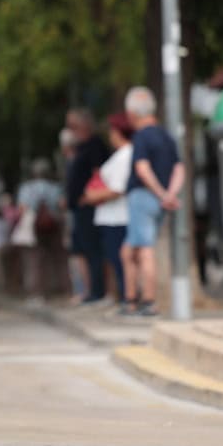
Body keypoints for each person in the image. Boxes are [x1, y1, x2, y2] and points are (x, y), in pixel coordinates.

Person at [120, 86, 184, 317]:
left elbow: (142, 168)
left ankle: (148, 301)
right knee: (128, 251)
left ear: (132, 113)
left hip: (143, 198)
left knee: (144, 250)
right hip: (159, 201)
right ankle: (130, 300)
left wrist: (160, 193)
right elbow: (179, 168)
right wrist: (170, 194)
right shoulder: (166, 136)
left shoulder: (141, 137)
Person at [81, 112, 132, 306]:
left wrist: (93, 196)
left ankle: (127, 300)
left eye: (112, 131)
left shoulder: (125, 156)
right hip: (111, 217)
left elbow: (117, 189)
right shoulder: (119, 156)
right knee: (115, 259)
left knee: (120, 261)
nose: (110, 135)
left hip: (118, 217)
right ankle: (124, 298)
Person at [64, 108, 111, 304]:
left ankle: (98, 292)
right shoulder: (80, 147)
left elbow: (98, 173)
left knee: (94, 250)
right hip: (78, 208)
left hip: (90, 206)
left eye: (74, 125)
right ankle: (88, 291)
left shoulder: (94, 145)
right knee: (82, 250)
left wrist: (89, 195)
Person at [15, 158, 65, 302]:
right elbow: (61, 204)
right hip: (54, 226)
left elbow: (22, 208)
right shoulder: (55, 187)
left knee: (34, 260)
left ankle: (37, 294)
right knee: (56, 259)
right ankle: (58, 290)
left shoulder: (27, 188)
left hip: (34, 228)